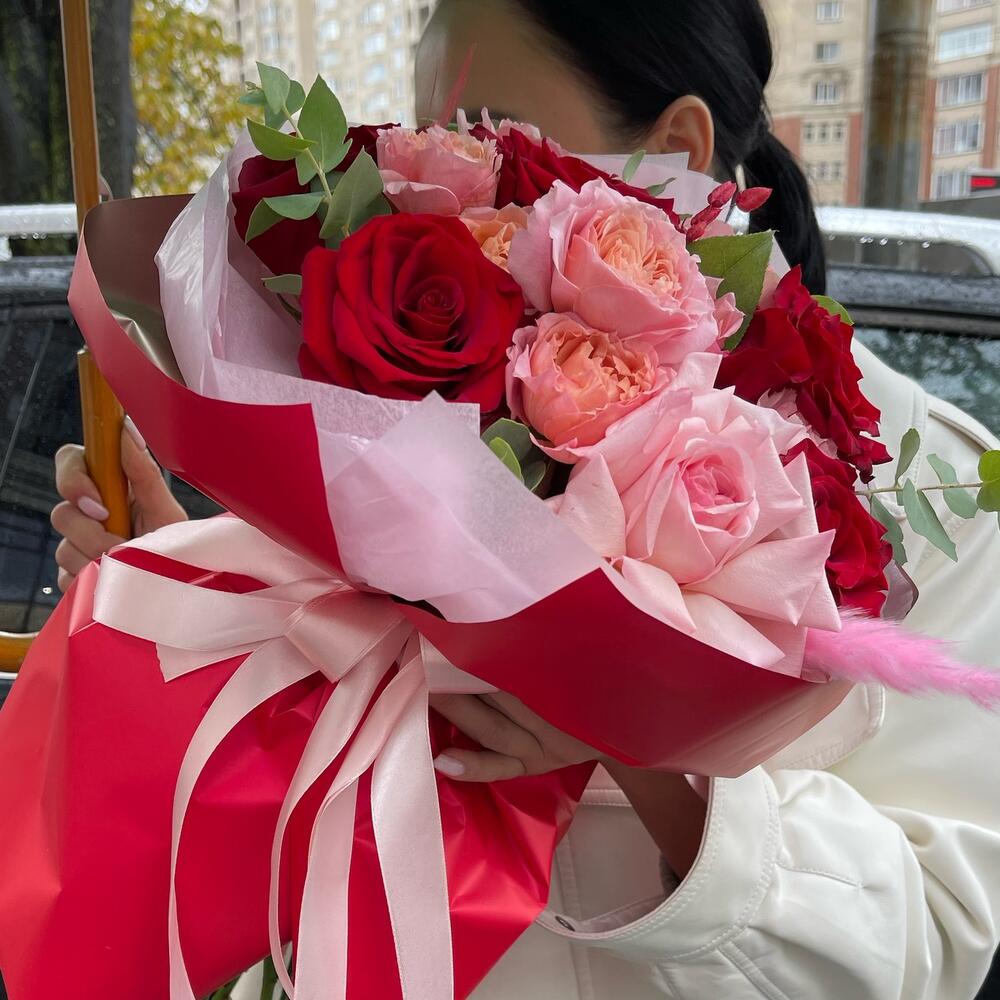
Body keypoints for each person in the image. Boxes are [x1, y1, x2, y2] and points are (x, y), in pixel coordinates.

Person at [52, 2, 1000, 997]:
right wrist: (194, 604)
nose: (437, 180)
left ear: (674, 151)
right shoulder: (397, 428)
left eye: (488, 130)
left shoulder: (920, 486)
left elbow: (930, 938)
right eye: (424, 132)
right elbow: (304, 811)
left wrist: (647, 750)